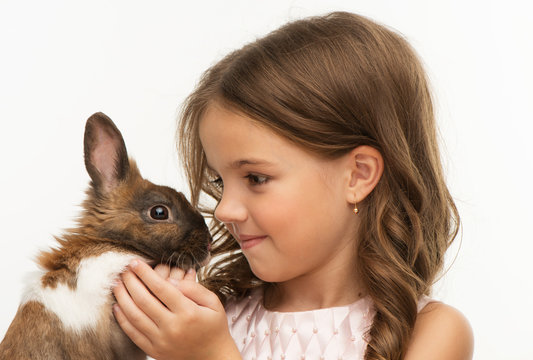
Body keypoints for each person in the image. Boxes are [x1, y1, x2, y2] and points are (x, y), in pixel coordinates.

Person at [112, 11, 474, 360]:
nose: (223, 209)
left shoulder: (433, 332)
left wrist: (211, 355)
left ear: (358, 175)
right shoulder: (210, 319)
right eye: (220, 182)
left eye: (256, 178)